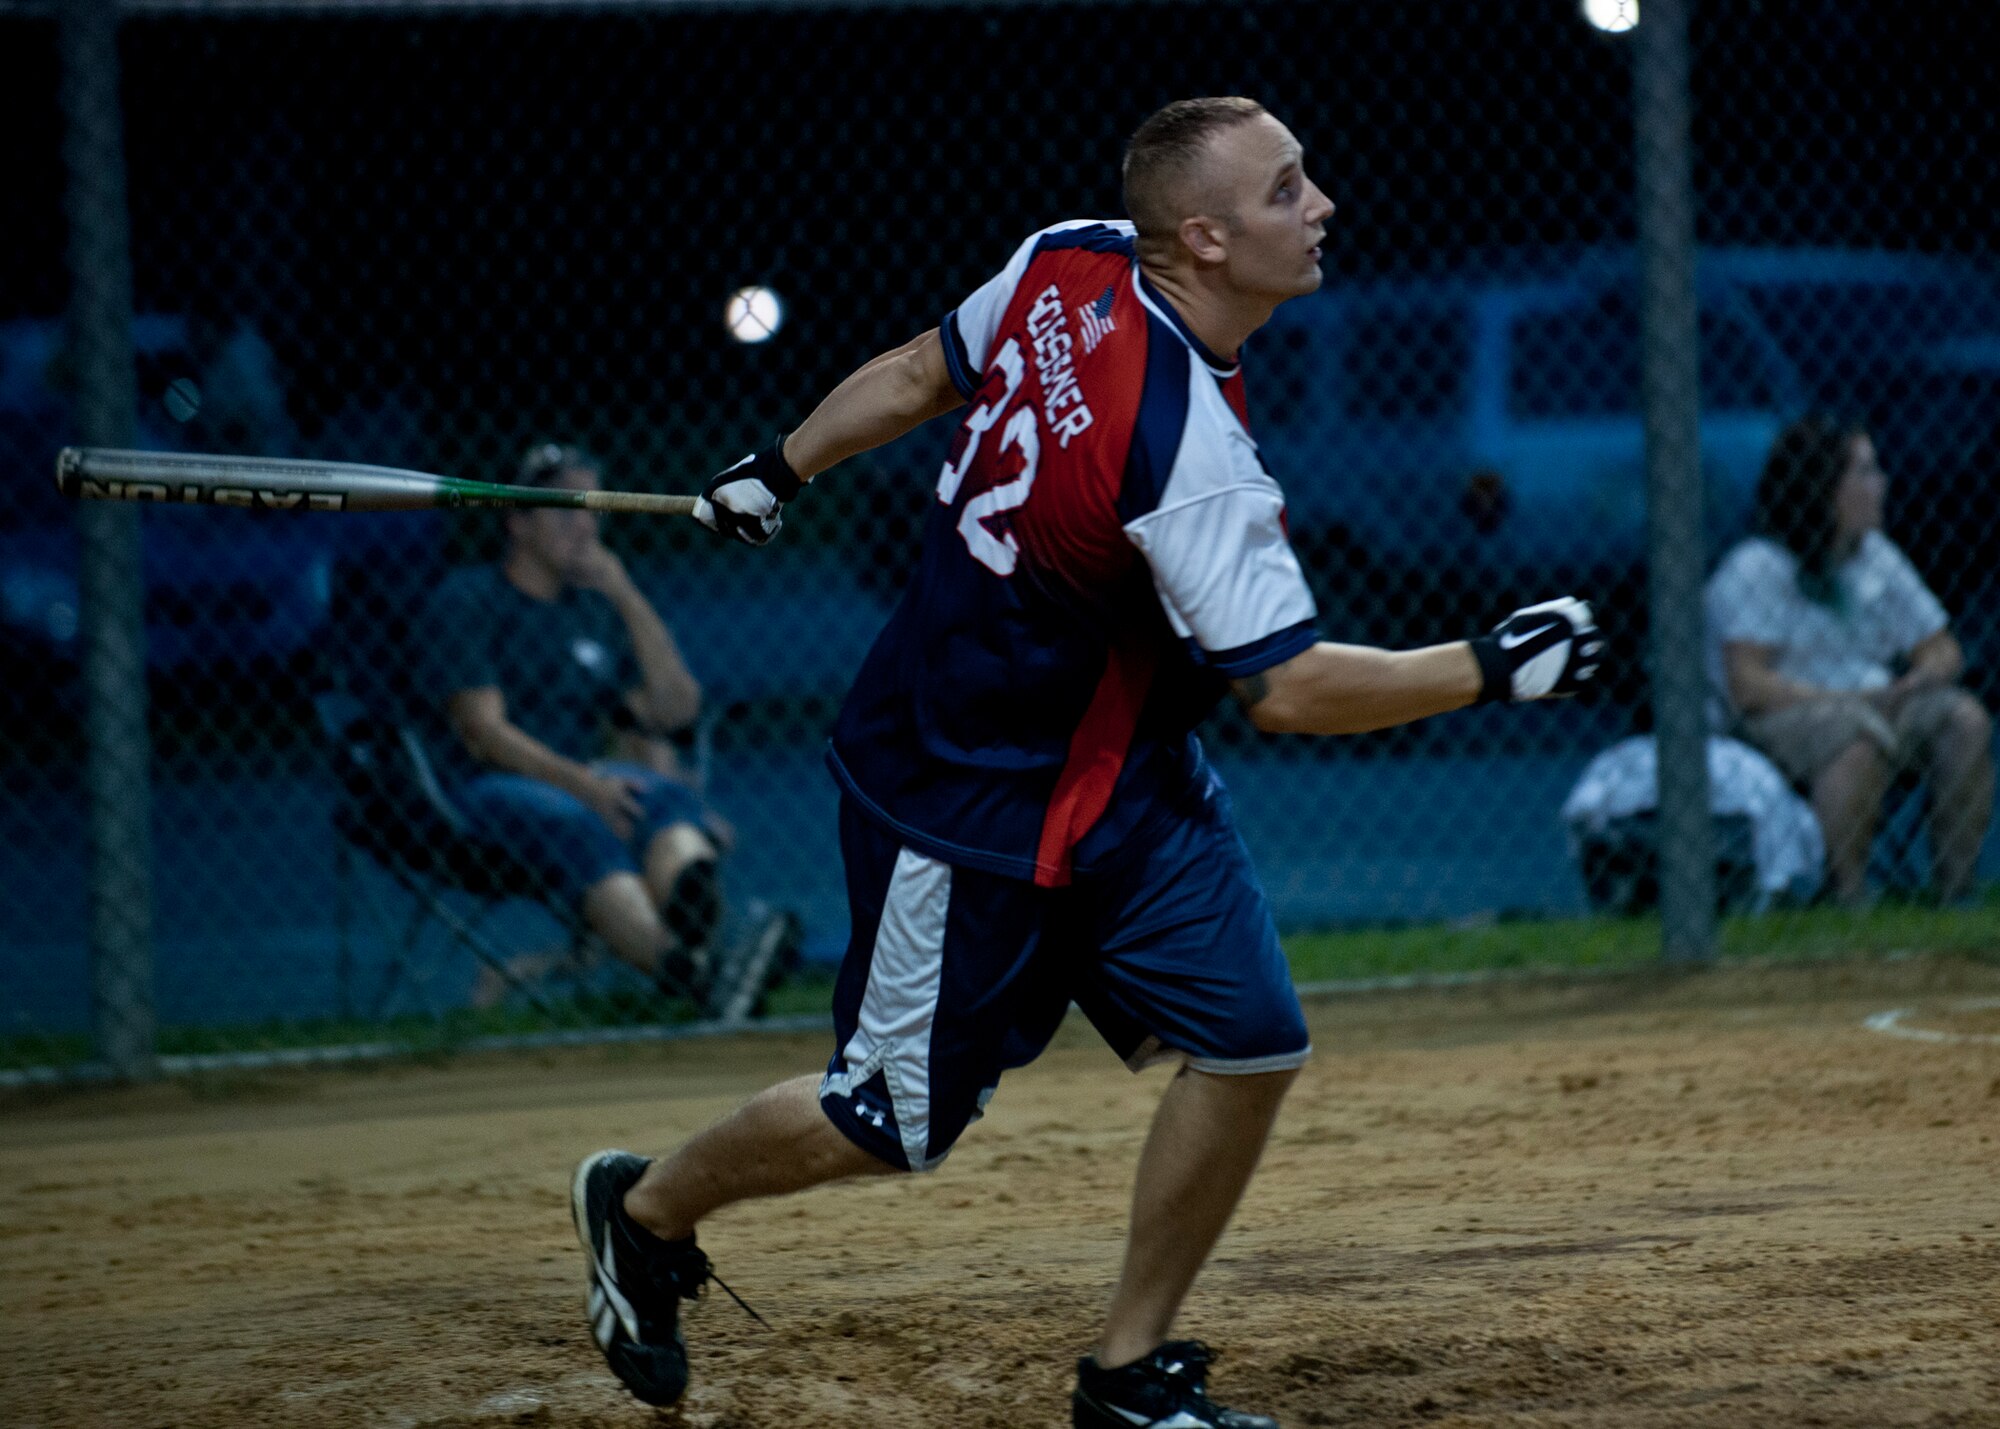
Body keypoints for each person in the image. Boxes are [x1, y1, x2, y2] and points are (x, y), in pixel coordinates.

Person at [569, 98, 1606, 1429]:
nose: (1323, 205)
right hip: (965, 801)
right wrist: (1494, 664)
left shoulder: (1073, 257)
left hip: (1123, 783)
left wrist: (778, 468)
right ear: (1209, 238)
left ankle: (1127, 1377)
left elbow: (911, 373)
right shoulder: (1186, 451)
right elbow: (1286, 691)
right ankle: (646, 1209)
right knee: (889, 1122)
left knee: (1249, 1041)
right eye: (1290, 189)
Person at [422, 442, 788, 1016]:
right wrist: (585, 787)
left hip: (588, 781)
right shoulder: (469, 600)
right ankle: (706, 976)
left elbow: (675, 710)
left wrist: (625, 595)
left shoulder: (591, 609)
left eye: (593, 510)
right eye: (567, 510)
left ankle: (696, 942)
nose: (586, 527)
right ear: (518, 522)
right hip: (482, 791)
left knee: (665, 799)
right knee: (575, 820)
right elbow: (483, 734)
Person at [1706, 416, 1994, 906]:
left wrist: (1918, 680)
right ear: (1822, 488)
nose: (1880, 484)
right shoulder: (1757, 566)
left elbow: (1943, 648)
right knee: (1855, 734)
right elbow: (1747, 684)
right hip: (1780, 722)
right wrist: (1851, 701)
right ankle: (1846, 896)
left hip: (1878, 704)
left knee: (1964, 720)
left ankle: (1954, 891)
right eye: (1864, 473)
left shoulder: (1875, 557)